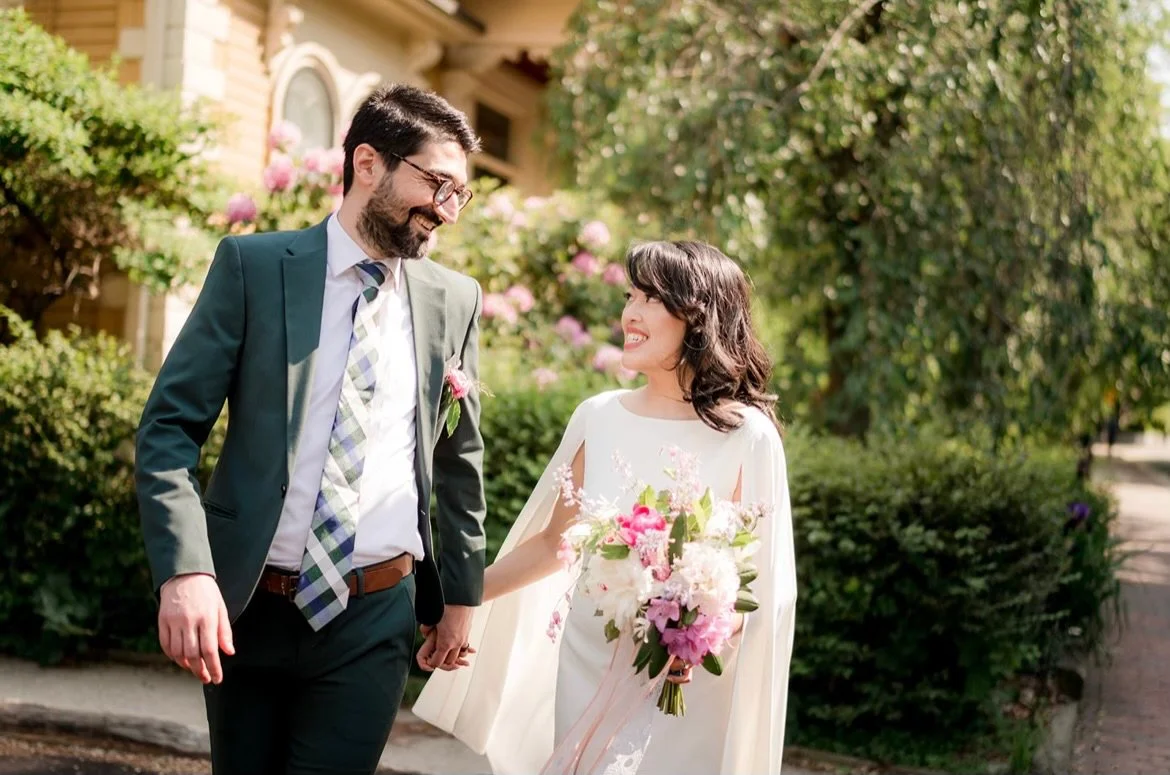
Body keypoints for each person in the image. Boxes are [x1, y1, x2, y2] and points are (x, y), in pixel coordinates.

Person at [135, 84, 488, 775]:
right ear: (366, 163)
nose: (446, 210)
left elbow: (458, 460)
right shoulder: (254, 268)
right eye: (436, 183)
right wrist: (185, 571)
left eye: (460, 194)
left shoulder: (455, 298)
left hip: (374, 615)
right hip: (248, 607)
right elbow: (169, 430)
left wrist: (463, 599)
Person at [414, 240, 798, 774]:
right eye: (630, 296)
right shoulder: (598, 416)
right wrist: (456, 600)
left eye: (650, 299)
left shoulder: (747, 436)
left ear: (698, 316)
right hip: (588, 658)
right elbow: (555, 544)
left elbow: (765, 583)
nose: (629, 314)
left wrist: (694, 631)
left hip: (688, 678)